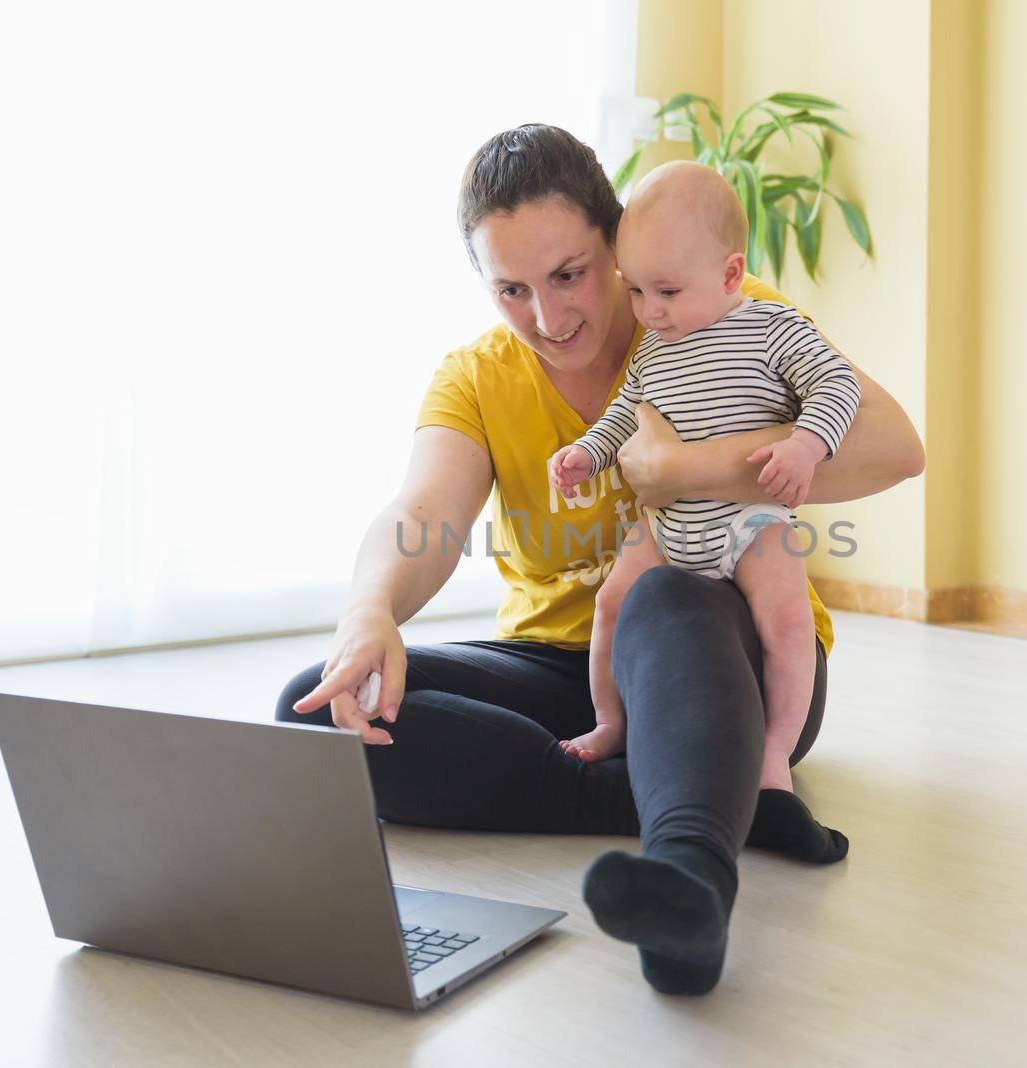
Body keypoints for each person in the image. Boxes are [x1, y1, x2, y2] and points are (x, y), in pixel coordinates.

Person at [276, 124, 924, 996]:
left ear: (613, 244)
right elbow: (421, 513)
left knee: (661, 592)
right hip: (575, 675)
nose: (549, 318)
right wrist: (369, 616)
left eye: (570, 275)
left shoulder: (714, 308)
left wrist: (684, 469)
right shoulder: (476, 376)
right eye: (511, 288)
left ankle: (692, 877)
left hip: (731, 662)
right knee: (322, 703)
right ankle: (681, 791)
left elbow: (893, 445)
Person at [548, 161, 861, 795]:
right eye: (634, 291)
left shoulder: (772, 329)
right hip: (667, 526)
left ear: (728, 273)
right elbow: (623, 416)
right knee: (610, 604)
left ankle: (775, 753)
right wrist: (589, 453)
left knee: (788, 623)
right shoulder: (651, 351)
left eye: (666, 291)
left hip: (752, 522)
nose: (649, 311)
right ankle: (611, 723)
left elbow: (837, 383)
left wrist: (804, 446)